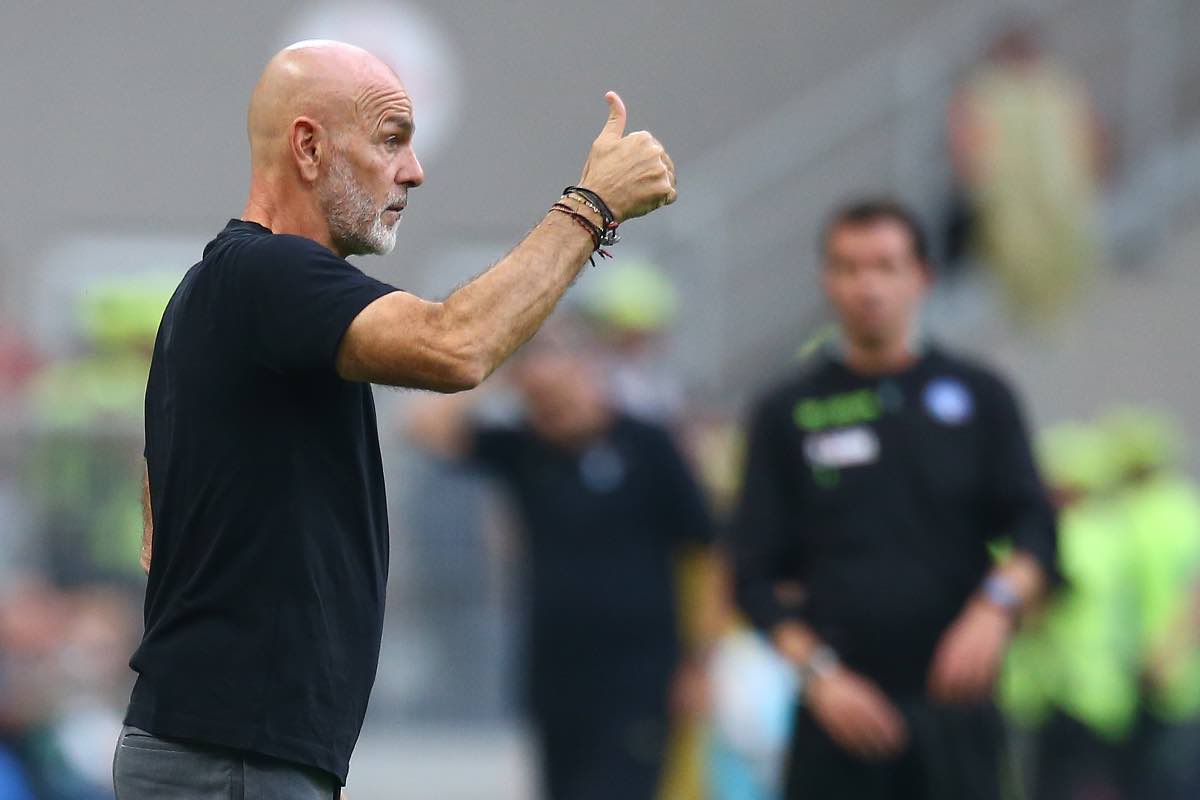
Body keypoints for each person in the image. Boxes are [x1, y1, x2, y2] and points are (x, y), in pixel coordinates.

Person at [114, 39, 677, 799]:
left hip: (228, 751)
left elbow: (158, 520)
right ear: (309, 147)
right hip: (233, 757)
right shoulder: (267, 272)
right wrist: (591, 206)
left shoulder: (224, 291)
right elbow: (455, 346)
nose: (413, 170)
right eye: (391, 140)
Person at [729, 199, 1058, 799]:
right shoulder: (788, 411)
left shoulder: (980, 396)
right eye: (849, 268)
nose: (867, 286)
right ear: (827, 280)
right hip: (839, 714)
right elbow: (750, 576)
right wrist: (820, 677)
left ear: (922, 276)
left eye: (885, 266)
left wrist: (995, 608)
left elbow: (1036, 528)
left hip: (956, 710)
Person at [406, 332, 715, 800]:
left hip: (639, 675)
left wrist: (699, 662)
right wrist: (498, 375)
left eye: (564, 395)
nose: (555, 412)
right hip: (555, 673)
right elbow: (421, 426)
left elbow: (706, 549)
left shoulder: (647, 444)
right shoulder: (526, 448)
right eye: (543, 403)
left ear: (592, 378)